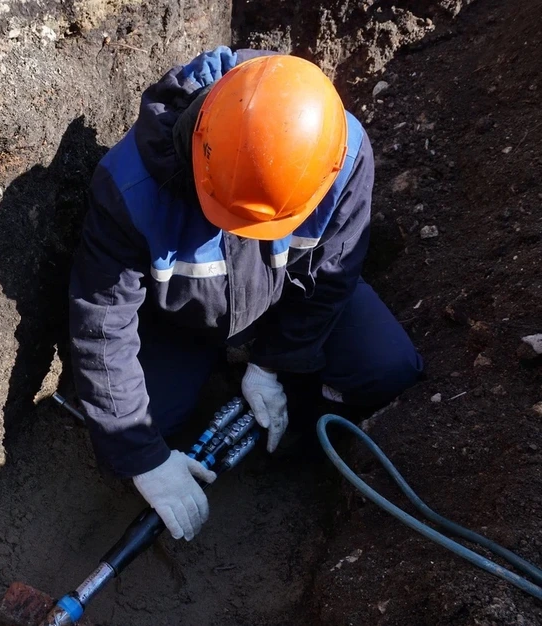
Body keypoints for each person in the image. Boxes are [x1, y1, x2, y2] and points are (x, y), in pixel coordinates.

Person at [68, 48, 424, 542]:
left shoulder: (339, 154)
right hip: (184, 321)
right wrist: (142, 456)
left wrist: (275, 362)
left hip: (284, 304)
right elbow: (102, 324)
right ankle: (209, 385)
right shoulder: (131, 188)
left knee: (385, 367)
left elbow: (332, 275)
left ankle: (296, 420)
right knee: (149, 427)